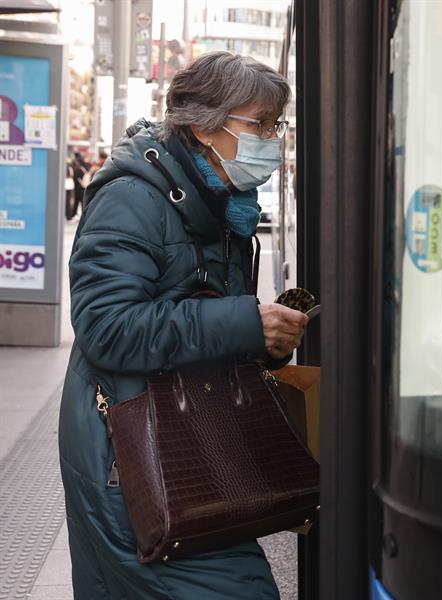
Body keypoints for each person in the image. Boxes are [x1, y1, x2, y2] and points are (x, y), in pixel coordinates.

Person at [60, 51, 306, 599]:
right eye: (258, 124)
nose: (270, 138)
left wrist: (267, 340)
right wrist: (247, 322)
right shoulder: (133, 196)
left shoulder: (223, 207)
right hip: (130, 453)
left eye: (276, 125)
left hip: (188, 440)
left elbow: (208, 322)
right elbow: (106, 327)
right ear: (203, 124)